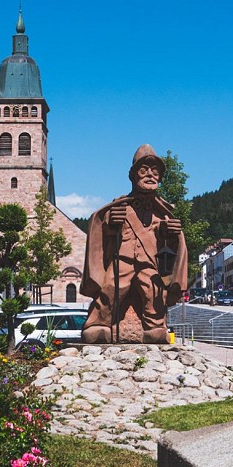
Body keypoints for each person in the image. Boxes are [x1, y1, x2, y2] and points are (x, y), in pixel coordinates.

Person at [80, 144, 187, 344]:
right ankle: (99, 324)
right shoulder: (120, 205)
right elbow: (100, 228)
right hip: (123, 258)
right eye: (143, 170)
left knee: (153, 291)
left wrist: (170, 233)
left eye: (155, 172)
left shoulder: (163, 210)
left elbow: (170, 244)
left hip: (149, 262)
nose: (150, 175)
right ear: (133, 175)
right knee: (111, 287)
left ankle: (154, 327)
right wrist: (110, 223)